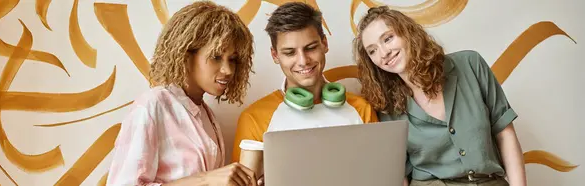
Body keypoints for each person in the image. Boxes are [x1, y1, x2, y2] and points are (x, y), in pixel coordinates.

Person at [353, 5, 527, 186]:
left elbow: (505, 135)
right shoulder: (386, 105)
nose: (384, 53)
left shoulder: (470, 65)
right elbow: (399, 173)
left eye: (388, 38)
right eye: (372, 50)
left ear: (407, 33)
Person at [106, 1, 259, 186]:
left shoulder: (207, 117)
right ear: (186, 56)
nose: (227, 70)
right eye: (216, 57)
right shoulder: (152, 106)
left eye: (233, 60)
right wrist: (205, 180)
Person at [231, 2, 378, 163]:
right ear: (275, 55)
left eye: (310, 48)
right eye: (290, 52)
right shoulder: (254, 118)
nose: (303, 61)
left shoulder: (361, 109)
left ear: (324, 44)